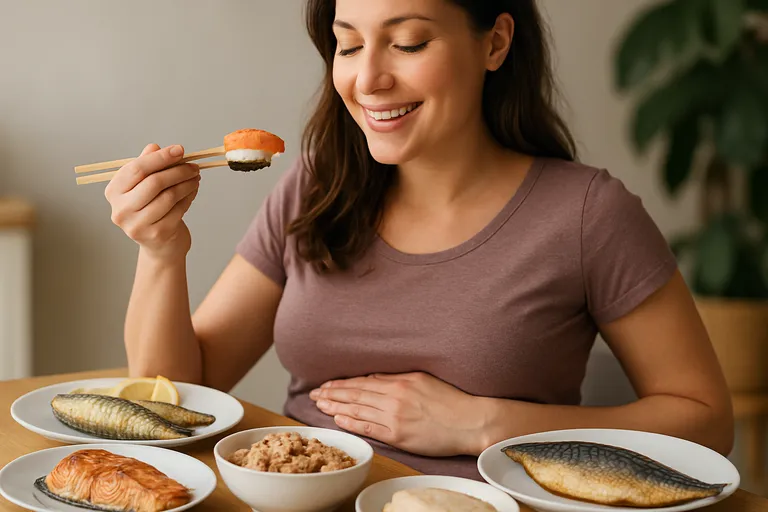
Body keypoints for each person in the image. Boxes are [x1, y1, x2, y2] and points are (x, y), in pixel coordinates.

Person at [103, 0, 734, 480]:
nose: (368, 79)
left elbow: (705, 421)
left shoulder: (588, 214)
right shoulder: (319, 184)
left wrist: (484, 424)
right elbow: (179, 399)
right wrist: (161, 252)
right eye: (347, 46)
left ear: (495, 42)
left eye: (407, 42)